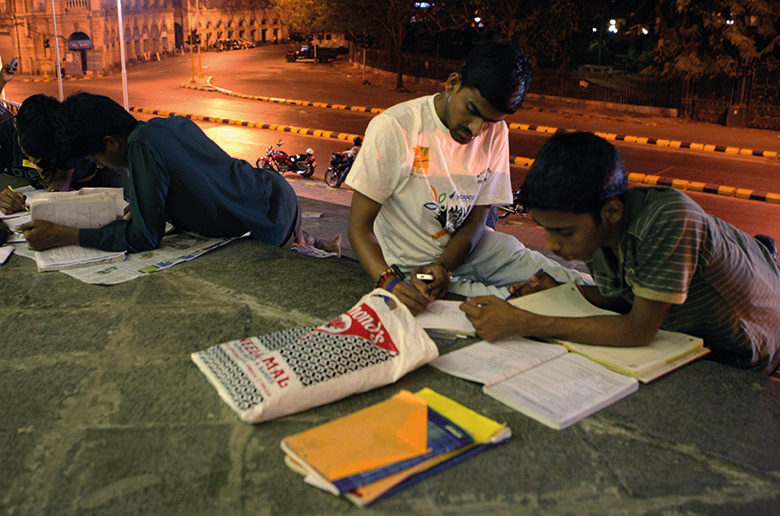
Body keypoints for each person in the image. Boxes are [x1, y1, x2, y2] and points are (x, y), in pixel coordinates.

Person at [461, 132, 780, 375]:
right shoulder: (603, 230)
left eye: (565, 232)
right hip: (690, 333)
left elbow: (638, 328)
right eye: (546, 229)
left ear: (611, 211)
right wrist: (567, 291)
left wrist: (522, 321)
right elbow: (632, 293)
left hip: (749, 349)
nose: (552, 245)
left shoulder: (669, 222)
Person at [345, 41, 588, 314]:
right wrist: (388, 282)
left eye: (489, 122)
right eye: (472, 110)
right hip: (414, 266)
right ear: (452, 83)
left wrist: (445, 267)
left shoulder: (496, 133)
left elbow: (478, 217)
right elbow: (359, 227)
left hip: (473, 250)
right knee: (528, 305)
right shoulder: (395, 127)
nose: (476, 129)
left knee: (572, 285)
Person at [20, 92, 341, 256]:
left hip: (267, 225)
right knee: (294, 235)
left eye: (96, 157)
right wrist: (150, 205)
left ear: (110, 142)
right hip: (276, 193)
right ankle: (317, 243)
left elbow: (144, 237)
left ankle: (309, 246)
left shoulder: (141, 149)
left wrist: (62, 234)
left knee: (286, 245)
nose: (100, 165)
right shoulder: (164, 125)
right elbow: (200, 180)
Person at [0, 93, 126, 214]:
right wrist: (3, 199)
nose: (34, 161)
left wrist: (54, 196)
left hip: (94, 181)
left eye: (43, 156)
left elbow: (63, 177)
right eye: (28, 154)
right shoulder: (3, 136)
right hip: (40, 188)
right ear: (15, 124)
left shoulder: (62, 131)